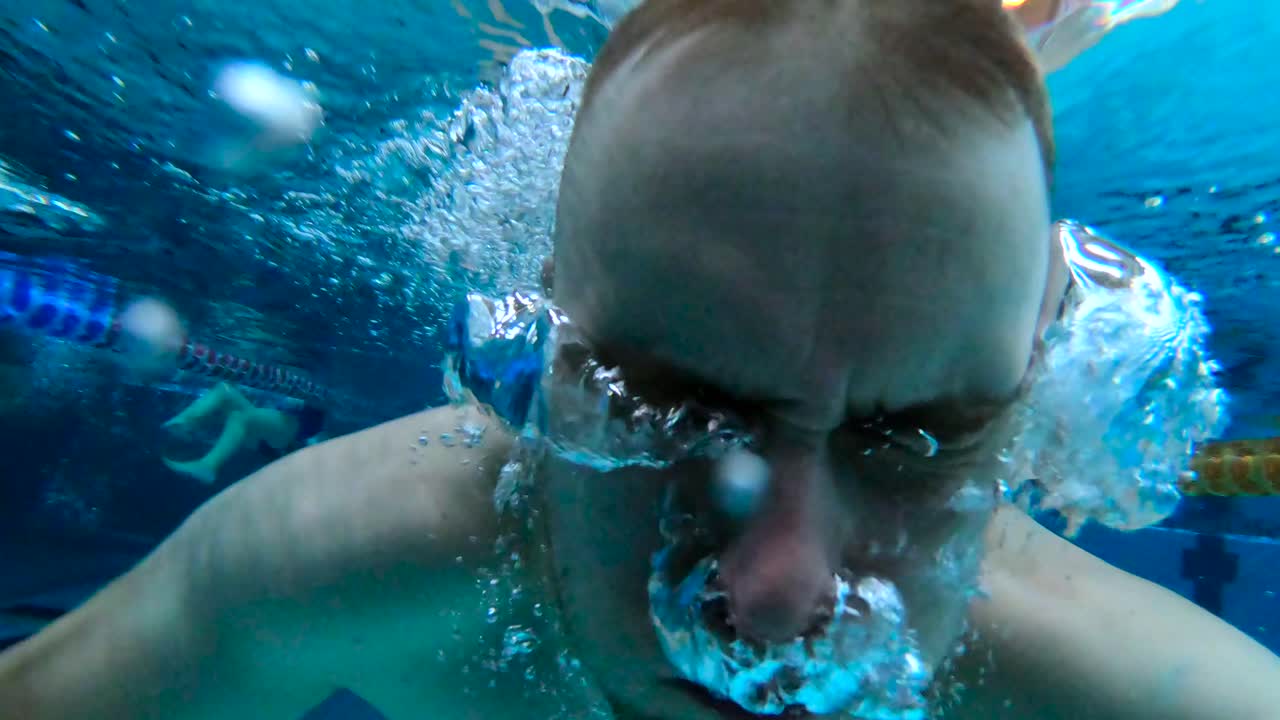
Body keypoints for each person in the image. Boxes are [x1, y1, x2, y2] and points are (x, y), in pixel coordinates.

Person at [2, 1, 1278, 719]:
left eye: (916, 440)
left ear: (1027, 420)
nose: (778, 596)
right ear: (535, 362)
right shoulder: (321, 566)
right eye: (670, 410)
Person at [160, 381, 328, 485]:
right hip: (273, 433)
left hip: (291, 435)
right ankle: (186, 422)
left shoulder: (315, 383)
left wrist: (303, 398)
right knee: (224, 389)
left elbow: (317, 416)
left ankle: (208, 465)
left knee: (240, 417)